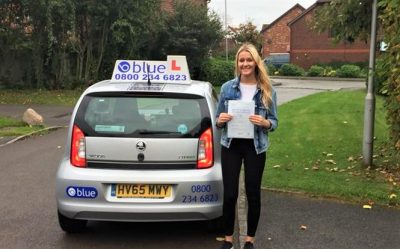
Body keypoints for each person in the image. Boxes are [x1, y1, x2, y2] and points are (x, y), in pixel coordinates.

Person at [215, 43, 278, 249]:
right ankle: (228, 239)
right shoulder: (226, 88)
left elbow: (274, 122)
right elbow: (217, 120)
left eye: (249, 60)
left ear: (256, 62)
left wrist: (265, 122)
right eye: (241, 60)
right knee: (230, 193)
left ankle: (249, 239)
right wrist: (221, 119)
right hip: (231, 145)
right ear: (237, 63)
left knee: (253, 192)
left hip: (255, 146)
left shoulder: (267, 90)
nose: (245, 64)